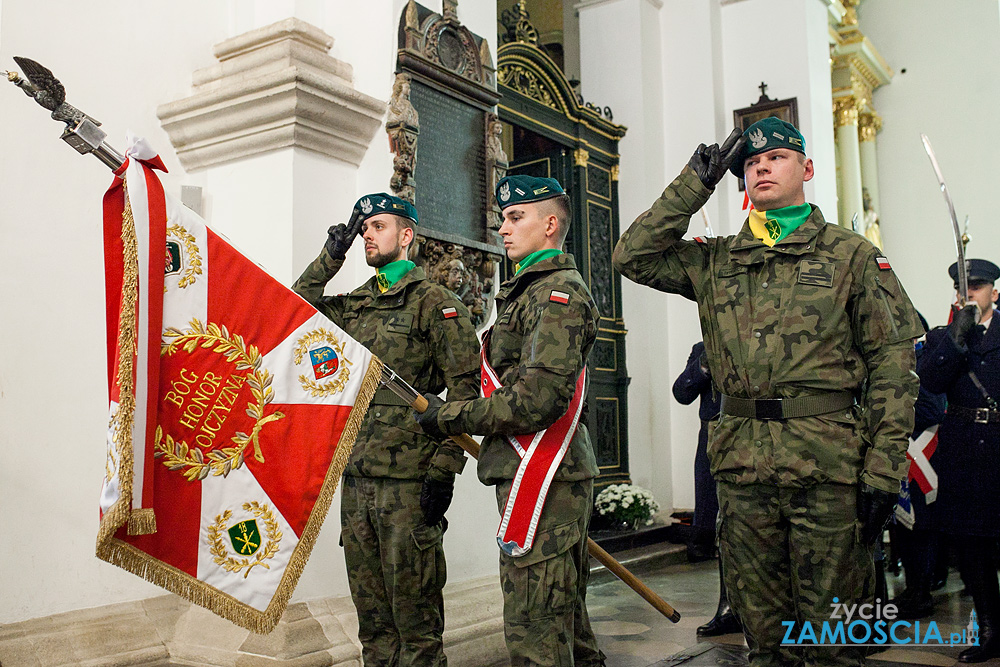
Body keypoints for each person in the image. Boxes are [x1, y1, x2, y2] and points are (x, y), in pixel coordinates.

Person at [612, 117, 922, 666]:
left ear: (806, 169)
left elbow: (893, 366)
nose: (761, 166)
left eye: (775, 157)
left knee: (833, 642)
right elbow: (631, 256)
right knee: (765, 642)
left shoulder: (850, 256)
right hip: (742, 469)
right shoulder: (717, 259)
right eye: (751, 162)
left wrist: (882, 469)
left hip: (827, 467)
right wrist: (694, 182)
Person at [414, 175, 605, 666]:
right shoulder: (528, 292)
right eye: (503, 218)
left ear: (550, 223)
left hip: (548, 475)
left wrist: (449, 415)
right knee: (561, 621)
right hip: (535, 474)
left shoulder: (557, 295)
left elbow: (536, 400)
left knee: (534, 631)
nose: (503, 228)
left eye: (515, 217)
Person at [292, 192, 480, 666]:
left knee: (416, 623)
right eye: (364, 228)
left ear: (407, 235)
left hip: (409, 484)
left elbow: (464, 394)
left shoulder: (436, 304)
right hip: (356, 480)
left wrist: (443, 471)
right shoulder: (356, 304)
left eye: (378, 226)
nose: (367, 236)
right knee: (373, 623)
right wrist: (330, 255)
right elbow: (294, 307)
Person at [917, 259, 1000, 663]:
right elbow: (929, 382)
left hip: (999, 448)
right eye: (963, 288)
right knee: (971, 547)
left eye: (978, 286)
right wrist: (955, 338)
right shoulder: (942, 338)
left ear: (994, 293)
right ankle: (990, 630)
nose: (969, 294)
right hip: (963, 453)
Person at [671, 341, 741, 637]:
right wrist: (703, 366)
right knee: (718, 524)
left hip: (746, 438)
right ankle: (729, 608)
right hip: (711, 444)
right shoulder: (703, 348)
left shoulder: (753, 338)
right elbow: (681, 393)